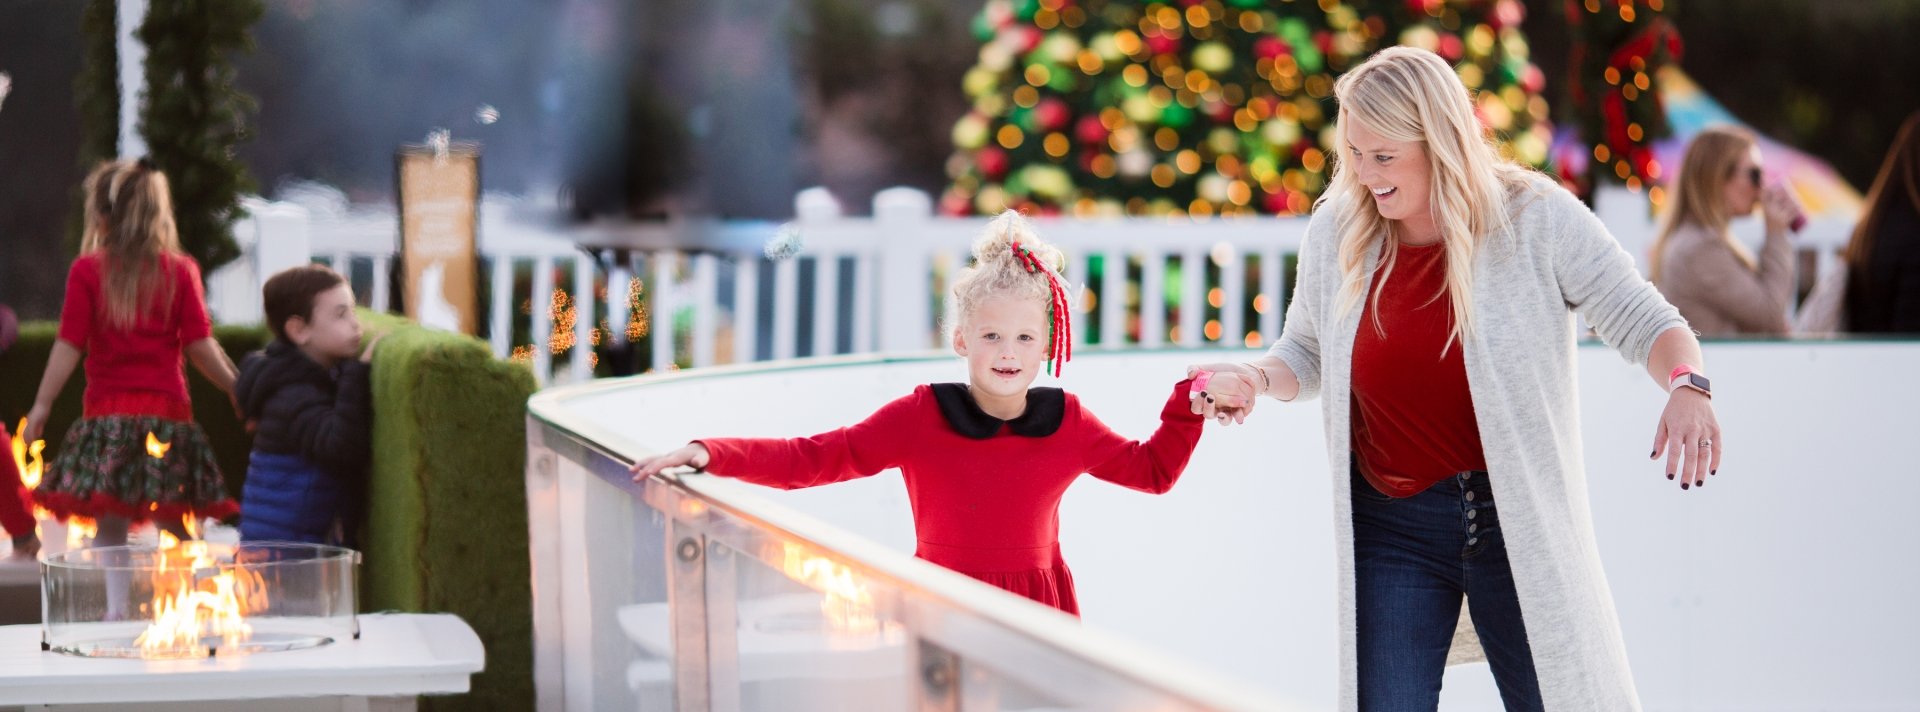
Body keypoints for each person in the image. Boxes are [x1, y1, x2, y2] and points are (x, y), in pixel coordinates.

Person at [1188, 47, 1720, 710]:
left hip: (1514, 522)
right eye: (1354, 152)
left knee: (1560, 698)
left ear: (1438, 142)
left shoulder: (1535, 220)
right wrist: (1252, 377)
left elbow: (1647, 320)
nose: (1365, 174)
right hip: (1393, 529)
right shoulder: (1339, 228)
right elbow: (1305, 351)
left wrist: (1686, 385)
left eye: (1384, 157)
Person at [629, 210, 1206, 616]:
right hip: (940, 605)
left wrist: (1188, 407)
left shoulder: (1067, 422)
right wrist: (711, 451)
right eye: (991, 335)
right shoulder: (921, 416)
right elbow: (814, 457)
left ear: (1049, 343)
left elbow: (1151, 472)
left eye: (1026, 337)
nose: (1008, 351)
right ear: (960, 339)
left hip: (1039, 617)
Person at [23, 159, 241, 545]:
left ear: (103, 216)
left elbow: (68, 345)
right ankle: (193, 588)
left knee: (111, 522)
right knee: (172, 519)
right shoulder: (179, 270)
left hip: (109, 420)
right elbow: (200, 346)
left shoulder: (88, 271)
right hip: (167, 417)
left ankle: (114, 606)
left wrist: (42, 404)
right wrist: (236, 386)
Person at [234, 265, 377, 545]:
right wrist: (356, 377)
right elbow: (341, 446)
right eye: (340, 314)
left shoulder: (301, 380)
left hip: (283, 549)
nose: (356, 324)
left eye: (353, 311)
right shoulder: (292, 394)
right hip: (284, 557)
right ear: (299, 330)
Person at [1649, 125, 1807, 336]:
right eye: (1755, 174)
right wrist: (1776, 233)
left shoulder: (1697, 241)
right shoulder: (1700, 249)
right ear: (1718, 177)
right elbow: (1770, 315)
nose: (1762, 186)